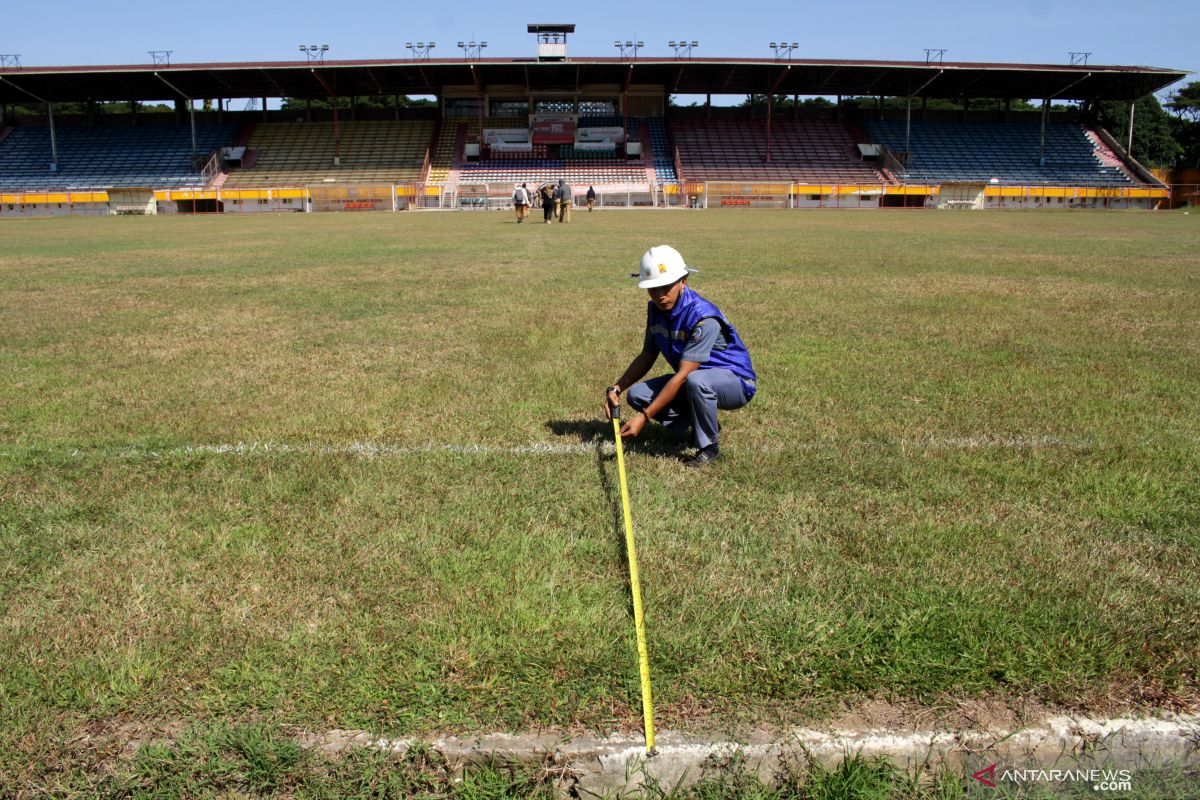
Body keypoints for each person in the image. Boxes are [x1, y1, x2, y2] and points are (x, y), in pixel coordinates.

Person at [604, 245, 757, 468]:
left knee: (696, 380)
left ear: (683, 281)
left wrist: (644, 418)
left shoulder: (702, 317)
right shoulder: (656, 310)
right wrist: (616, 388)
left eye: (665, 287)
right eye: (652, 288)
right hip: (695, 379)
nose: (659, 295)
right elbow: (647, 355)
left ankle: (709, 449)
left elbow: (685, 376)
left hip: (736, 382)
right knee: (637, 395)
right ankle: (700, 422)